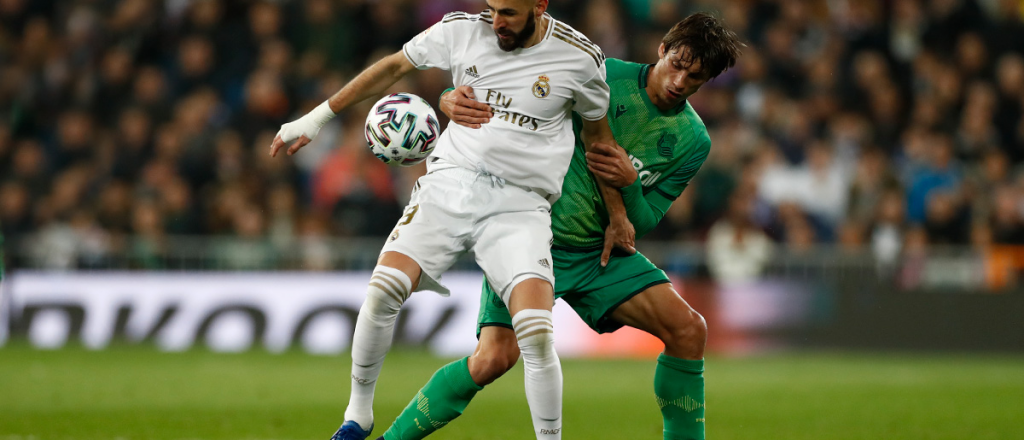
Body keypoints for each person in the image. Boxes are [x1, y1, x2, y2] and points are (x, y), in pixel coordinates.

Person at [268, 1, 632, 440]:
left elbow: (599, 140)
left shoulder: (579, 57)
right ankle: (357, 417)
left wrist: (617, 214)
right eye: (492, 8)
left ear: (540, 5)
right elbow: (392, 68)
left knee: (535, 334)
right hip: (451, 184)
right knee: (384, 289)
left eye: (510, 13)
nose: (496, 21)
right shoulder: (462, 30)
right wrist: (317, 117)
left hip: (521, 205)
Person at [375, 13, 742, 440]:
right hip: (526, 234)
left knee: (688, 329)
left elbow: (644, 222)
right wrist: (447, 97)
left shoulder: (693, 141)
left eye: (695, 77)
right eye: (677, 64)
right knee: (492, 360)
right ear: (662, 49)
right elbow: (507, 90)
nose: (680, 80)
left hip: (596, 255)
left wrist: (630, 187)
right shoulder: (599, 71)